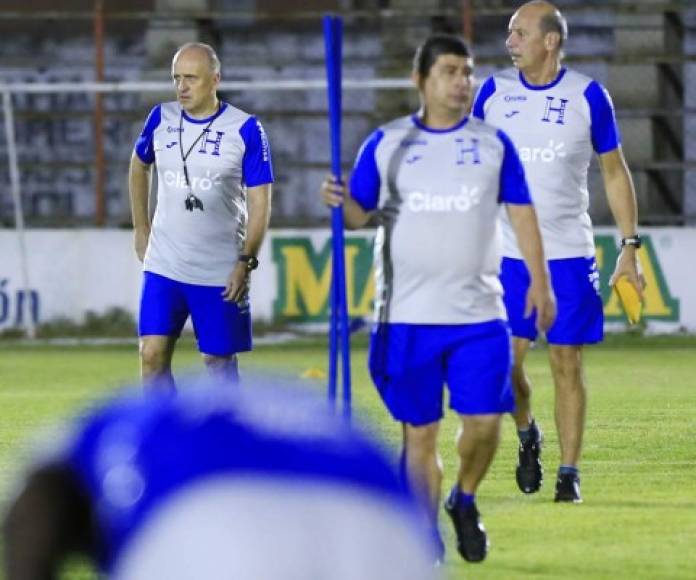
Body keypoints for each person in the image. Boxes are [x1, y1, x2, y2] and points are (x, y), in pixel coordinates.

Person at [320, 34, 555, 563]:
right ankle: (422, 544)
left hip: (479, 314)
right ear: (420, 80)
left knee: (485, 424)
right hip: (406, 317)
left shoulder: (495, 144)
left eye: (467, 72)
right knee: (419, 436)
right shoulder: (386, 143)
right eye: (450, 71)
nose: (462, 81)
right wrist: (338, 201)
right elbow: (359, 216)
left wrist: (540, 281)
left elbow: (522, 214)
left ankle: (464, 497)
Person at [2, 377, 441, 580]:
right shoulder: (319, 421)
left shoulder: (108, 428)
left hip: (204, 518)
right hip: (389, 525)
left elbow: (37, 497)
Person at [472, 0, 645, 503]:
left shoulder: (588, 96)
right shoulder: (492, 94)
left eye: (519, 33)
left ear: (550, 41)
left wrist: (629, 246)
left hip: (569, 253)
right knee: (504, 363)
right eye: (509, 33)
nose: (510, 42)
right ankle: (528, 431)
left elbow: (614, 172)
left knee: (567, 362)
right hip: (507, 255)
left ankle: (569, 473)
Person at [129, 42, 273, 391]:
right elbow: (138, 167)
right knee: (151, 354)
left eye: (191, 78)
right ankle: (168, 442)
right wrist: (141, 228)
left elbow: (260, 203)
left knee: (219, 365)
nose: (181, 87)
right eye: (176, 78)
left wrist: (246, 261)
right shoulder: (160, 118)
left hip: (219, 270)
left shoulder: (246, 130)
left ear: (215, 79)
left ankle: (227, 444)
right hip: (165, 264)